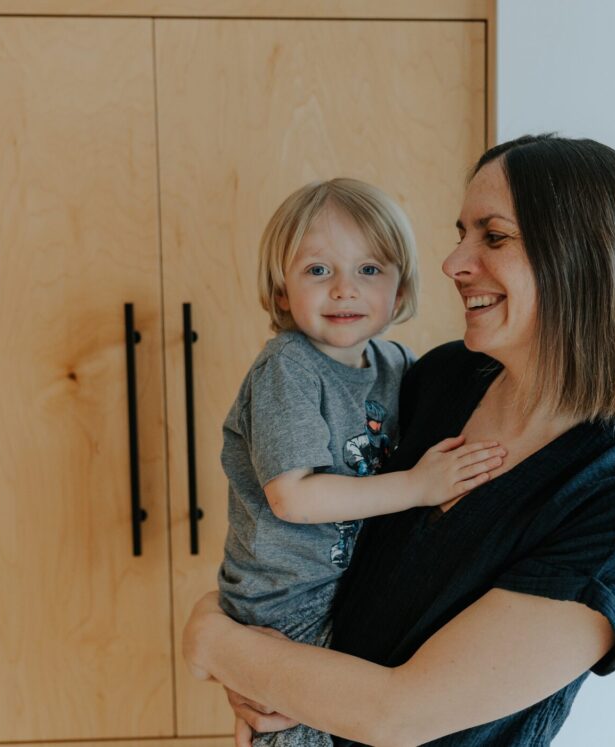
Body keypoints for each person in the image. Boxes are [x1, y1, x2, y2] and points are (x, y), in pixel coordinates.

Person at [186, 136, 615, 746]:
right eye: (462, 234)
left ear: (582, 261)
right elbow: (312, 534)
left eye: (493, 237)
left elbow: (398, 715)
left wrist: (213, 641)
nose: (451, 263)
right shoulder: (441, 378)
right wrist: (256, 660)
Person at [216, 178, 507, 747]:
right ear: (282, 293)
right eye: (318, 270)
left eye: (369, 270)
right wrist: (419, 486)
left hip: (346, 591)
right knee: (293, 729)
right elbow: (292, 496)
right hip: (285, 602)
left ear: (399, 292)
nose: (344, 289)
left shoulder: (396, 363)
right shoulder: (288, 367)